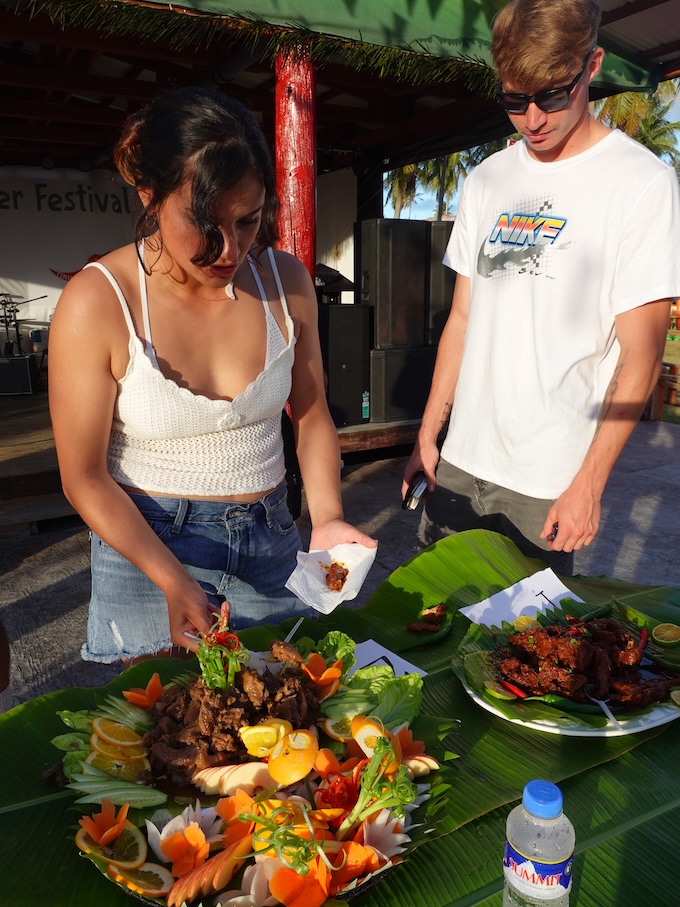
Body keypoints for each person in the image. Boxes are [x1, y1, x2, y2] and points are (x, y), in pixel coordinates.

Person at [49, 86, 376, 664]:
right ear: (150, 195)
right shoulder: (99, 300)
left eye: (248, 222)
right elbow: (84, 475)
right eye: (205, 223)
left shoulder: (285, 281)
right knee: (172, 736)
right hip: (147, 545)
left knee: (278, 727)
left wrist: (326, 517)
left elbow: (313, 412)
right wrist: (173, 580)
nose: (229, 250)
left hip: (271, 535)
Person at [403, 0, 680, 575]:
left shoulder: (640, 183)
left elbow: (642, 354)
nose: (533, 118)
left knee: (517, 651)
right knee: (428, 632)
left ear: (593, 63)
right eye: (513, 99)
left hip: (547, 480)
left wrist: (589, 485)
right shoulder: (488, 179)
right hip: (461, 461)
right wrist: (428, 431)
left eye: (552, 95)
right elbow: (462, 318)